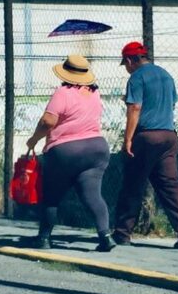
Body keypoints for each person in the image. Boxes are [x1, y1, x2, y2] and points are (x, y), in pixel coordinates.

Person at [113, 41, 178, 249]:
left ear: (132, 60)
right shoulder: (166, 75)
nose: (126, 68)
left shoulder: (137, 77)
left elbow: (135, 108)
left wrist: (128, 140)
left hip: (147, 137)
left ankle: (122, 233)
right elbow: (169, 104)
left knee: (133, 184)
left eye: (126, 63)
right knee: (170, 185)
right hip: (169, 136)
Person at [26, 54, 116, 252]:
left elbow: (48, 121)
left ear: (66, 73)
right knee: (93, 195)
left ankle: (44, 238)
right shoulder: (94, 93)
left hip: (66, 151)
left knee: (51, 195)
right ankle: (105, 236)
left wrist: (34, 140)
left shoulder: (63, 92)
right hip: (97, 148)